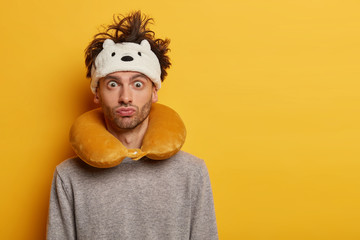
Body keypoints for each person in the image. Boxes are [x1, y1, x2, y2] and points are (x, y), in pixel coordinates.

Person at [47, 11, 218, 240]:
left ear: (154, 91)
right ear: (97, 93)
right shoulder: (68, 177)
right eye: (113, 84)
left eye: (138, 84)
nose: (126, 97)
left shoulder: (192, 172)